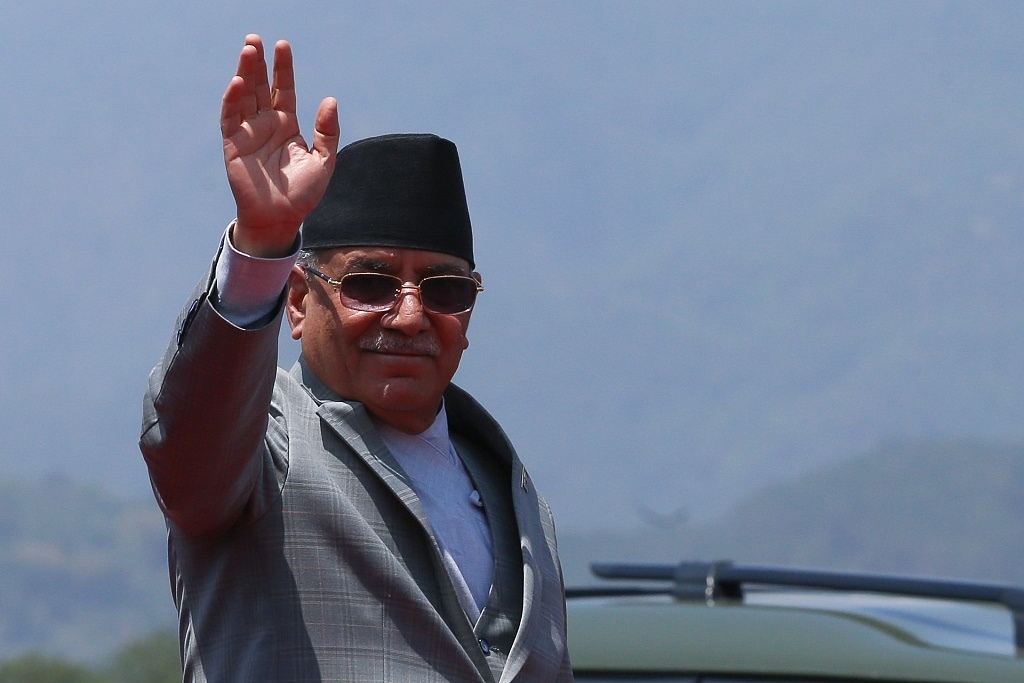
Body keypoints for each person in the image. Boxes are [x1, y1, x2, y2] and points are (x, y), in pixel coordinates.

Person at [140, 35, 572, 683]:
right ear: (297, 302)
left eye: (444, 290)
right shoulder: (264, 449)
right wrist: (262, 243)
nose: (409, 315)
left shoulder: (516, 496)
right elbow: (189, 449)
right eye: (369, 284)